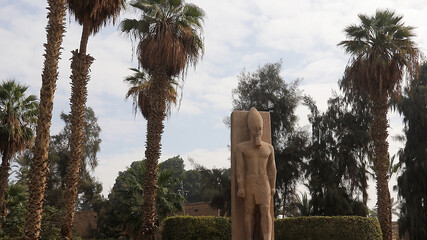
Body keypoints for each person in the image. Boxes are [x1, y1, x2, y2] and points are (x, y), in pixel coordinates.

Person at [236, 107, 276, 240]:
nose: (258, 130)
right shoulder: (241, 147)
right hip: (250, 182)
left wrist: (273, 186)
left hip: (264, 182)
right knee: (249, 213)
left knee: (266, 211)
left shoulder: (269, 148)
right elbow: (240, 169)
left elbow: (272, 169)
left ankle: (267, 238)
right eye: (255, 128)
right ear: (250, 129)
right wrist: (240, 187)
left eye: (260, 128)